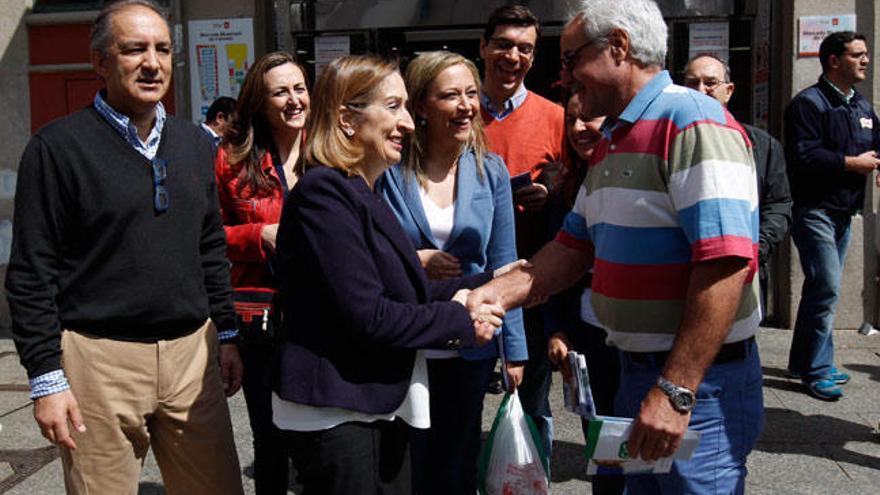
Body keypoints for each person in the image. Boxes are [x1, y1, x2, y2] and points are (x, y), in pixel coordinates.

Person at [467, 1, 763, 493]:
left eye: (569, 59)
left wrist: (675, 392)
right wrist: (491, 294)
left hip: (697, 387)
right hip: (636, 377)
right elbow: (571, 247)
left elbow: (726, 264)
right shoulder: (615, 138)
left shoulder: (691, 121)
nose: (562, 77)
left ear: (619, 47)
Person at [5, 1, 244, 494]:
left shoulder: (195, 145)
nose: (152, 63)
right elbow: (32, 271)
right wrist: (47, 379)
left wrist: (226, 333)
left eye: (162, 49)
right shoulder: (56, 149)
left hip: (190, 359)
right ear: (100, 62)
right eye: (134, 49)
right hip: (98, 363)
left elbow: (209, 247)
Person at [271, 54, 505, 495]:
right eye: (393, 106)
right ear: (346, 119)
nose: (409, 123)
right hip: (339, 413)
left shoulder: (360, 190)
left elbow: (408, 291)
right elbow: (371, 316)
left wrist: (492, 282)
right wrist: (462, 321)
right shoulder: (326, 193)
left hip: (370, 408)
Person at [379, 50, 526, 494]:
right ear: (421, 105)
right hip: (406, 341)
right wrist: (415, 259)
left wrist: (514, 348)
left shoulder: (490, 170)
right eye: (450, 95)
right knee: (405, 465)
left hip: (470, 342)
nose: (465, 105)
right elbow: (366, 248)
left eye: (470, 93)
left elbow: (506, 262)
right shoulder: (388, 168)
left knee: (457, 464)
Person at [215, 51, 307, 495]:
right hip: (262, 322)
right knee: (270, 440)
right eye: (280, 92)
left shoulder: (332, 148)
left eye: (299, 88)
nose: (294, 100)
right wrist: (258, 235)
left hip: (323, 315)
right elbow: (207, 237)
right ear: (259, 102)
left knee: (320, 440)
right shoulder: (231, 160)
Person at [478, 3, 565, 455]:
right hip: (469, 276)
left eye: (524, 49)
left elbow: (568, 181)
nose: (513, 56)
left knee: (531, 398)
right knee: (463, 397)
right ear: (484, 47)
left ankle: (531, 479)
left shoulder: (555, 115)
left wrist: (547, 191)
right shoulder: (459, 110)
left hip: (529, 277)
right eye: (504, 45)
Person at [784, 31, 880, 400]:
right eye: (857, 55)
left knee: (821, 288)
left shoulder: (862, 106)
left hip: (843, 211)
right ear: (834, 61)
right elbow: (803, 156)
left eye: (866, 54)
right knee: (826, 286)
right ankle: (817, 370)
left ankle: (803, 361)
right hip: (814, 210)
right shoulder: (808, 104)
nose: (865, 61)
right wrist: (850, 163)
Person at [544, 93, 623, 495]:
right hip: (589, 336)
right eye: (570, 120)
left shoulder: (637, 175)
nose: (578, 129)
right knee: (604, 444)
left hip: (641, 337)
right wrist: (557, 329)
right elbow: (556, 267)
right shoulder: (564, 191)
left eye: (588, 117)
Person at [683, 54, 792, 314]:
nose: (701, 91)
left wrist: (757, 249)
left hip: (743, 276)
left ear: (728, 90)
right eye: (692, 83)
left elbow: (779, 204)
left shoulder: (761, 145)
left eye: (710, 83)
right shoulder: (667, 141)